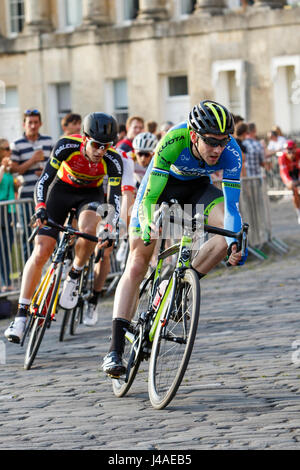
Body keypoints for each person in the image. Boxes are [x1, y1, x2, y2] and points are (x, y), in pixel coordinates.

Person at [102, 100, 247, 377]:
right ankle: (115, 348)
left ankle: (180, 287)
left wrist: (234, 244)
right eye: (210, 142)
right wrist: (146, 224)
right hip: (162, 188)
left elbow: (230, 208)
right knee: (137, 261)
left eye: (223, 141)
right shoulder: (173, 140)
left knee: (226, 235)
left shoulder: (231, 152)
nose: (218, 149)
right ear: (194, 136)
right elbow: (149, 198)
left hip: (197, 190)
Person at [4, 112, 123, 343]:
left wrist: (109, 228)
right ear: (85, 138)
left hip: (90, 195)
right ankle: (20, 317)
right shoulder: (66, 145)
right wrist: (40, 207)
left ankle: (74, 274)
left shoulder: (113, 159)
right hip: (61, 190)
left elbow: (115, 199)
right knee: (41, 251)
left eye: (106, 146)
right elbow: (44, 180)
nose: (100, 151)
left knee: (89, 229)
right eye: (96, 145)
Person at [10, 109, 53, 261]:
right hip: (27, 195)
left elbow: (56, 165)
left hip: (47, 194)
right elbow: (14, 170)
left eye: (36, 122)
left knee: (51, 230)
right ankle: (29, 269)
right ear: (24, 124)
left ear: (40, 123)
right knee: (29, 233)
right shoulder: (16, 145)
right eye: (30, 123)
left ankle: (52, 270)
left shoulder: (48, 141)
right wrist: (32, 161)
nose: (33, 126)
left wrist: (45, 171)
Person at [0, 139, 15, 291]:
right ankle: (4, 282)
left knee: (7, 247)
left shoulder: (9, 169)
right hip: (1, 209)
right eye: (6, 148)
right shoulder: (3, 168)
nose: (9, 151)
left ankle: (8, 282)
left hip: (11, 211)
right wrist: (3, 168)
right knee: (1, 248)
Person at [278, 140, 300, 224]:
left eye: (292, 151)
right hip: (289, 175)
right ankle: (298, 212)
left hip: (297, 171)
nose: (290, 154)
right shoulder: (282, 157)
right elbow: (283, 172)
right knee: (294, 191)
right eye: (288, 151)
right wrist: (289, 182)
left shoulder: (298, 153)